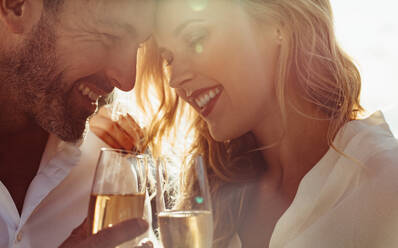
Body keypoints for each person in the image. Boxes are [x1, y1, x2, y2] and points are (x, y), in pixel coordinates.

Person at [93, 0, 398, 247]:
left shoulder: (384, 180)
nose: (174, 79)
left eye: (195, 38)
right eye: (169, 58)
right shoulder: (215, 189)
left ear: (280, 22)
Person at [0, 0, 155, 247]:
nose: (127, 80)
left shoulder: (109, 177)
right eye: (109, 36)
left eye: (137, 45)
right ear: (16, 7)